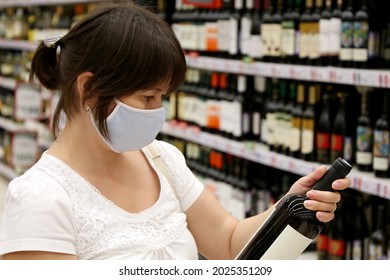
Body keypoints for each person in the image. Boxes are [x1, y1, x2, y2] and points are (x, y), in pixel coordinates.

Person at [0, 1, 350, 260]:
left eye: (163, 97)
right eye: (148, 97)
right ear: (89, 89)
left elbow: (228, 242)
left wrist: (288, 207)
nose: (158, 112)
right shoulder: (40, 200)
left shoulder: (161, 160)